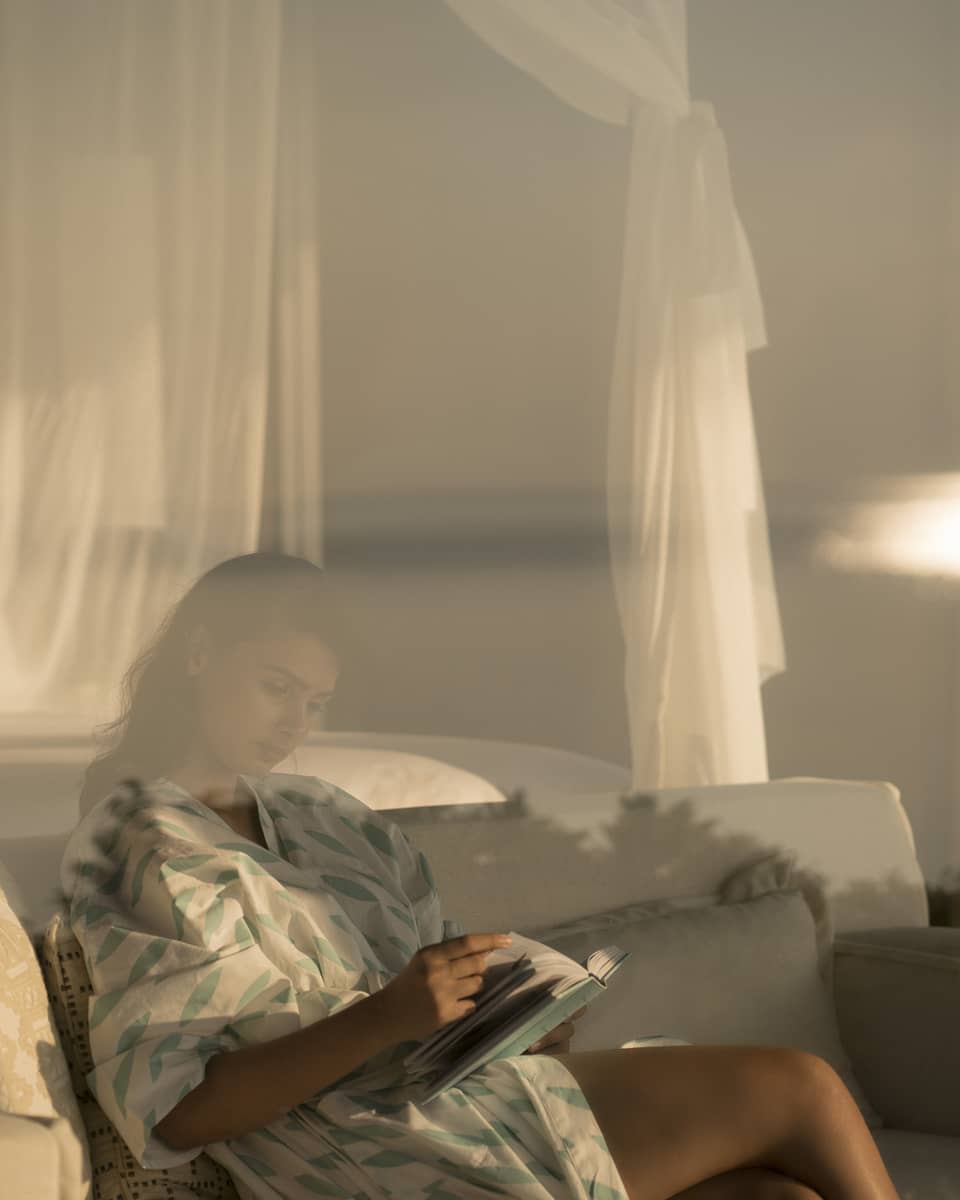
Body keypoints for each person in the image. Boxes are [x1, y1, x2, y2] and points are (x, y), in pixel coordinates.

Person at [64, 552, 900, 1200]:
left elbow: (428, 992)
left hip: (464, 1093)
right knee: (801, 1087)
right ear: (201, 654)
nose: (293, 723)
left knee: (773, 1197)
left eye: (315, 704)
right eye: (275, 686)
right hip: (361, 1149)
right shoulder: (141, 839)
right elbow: (176, 1110)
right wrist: (386, 1016)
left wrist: (505, 1018)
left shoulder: (327, 816)